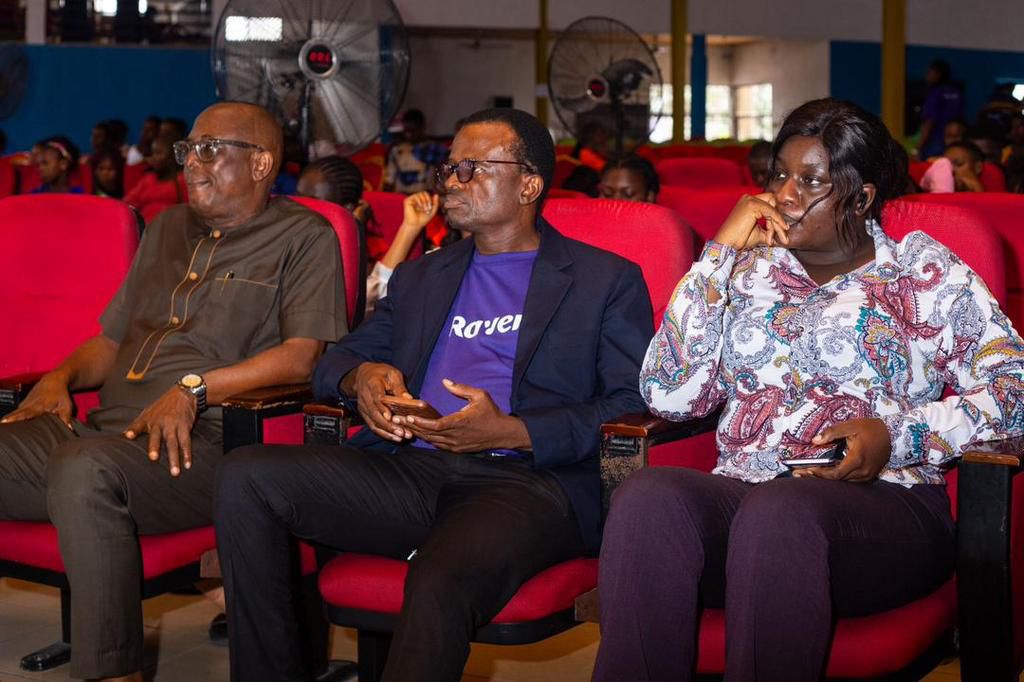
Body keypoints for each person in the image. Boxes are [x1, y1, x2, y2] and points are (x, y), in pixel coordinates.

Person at [214, 107, 654, 682]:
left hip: (525, 484)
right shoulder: (425, 275)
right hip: (411, 469)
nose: (451, 181)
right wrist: (362, 378)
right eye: (450, 168)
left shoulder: (605, 280)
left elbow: (628, 405)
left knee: (438, 576)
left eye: (473, 169)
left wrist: (513, 432)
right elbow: (338, 358)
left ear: (529, 184)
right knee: (245, 476)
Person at [592, 98, 1024, 682]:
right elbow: (669, 398)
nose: (785, 195)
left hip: (883, 517)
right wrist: (714, 259)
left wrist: (894, 436)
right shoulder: (745, 273)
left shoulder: (921, 272)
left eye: (811, 181)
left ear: (862, 196)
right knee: (648, 498)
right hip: (745, 501)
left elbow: (1012, 389)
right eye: (780, 175)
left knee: (782, 509)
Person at [0, 101, 346, 682]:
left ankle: (114, 672)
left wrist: (195, 389)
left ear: (261, 162)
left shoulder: (304, 236)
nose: (191, 163)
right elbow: (110, 343)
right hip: (104, 435)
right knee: (79, 461)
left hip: (205, 446)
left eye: (211, 150)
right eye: (188, 151)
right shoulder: (165, 228)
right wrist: (58, 377)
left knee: (85, 470)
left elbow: (302, 356)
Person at [123, 133, 186, 223]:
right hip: (145, 231)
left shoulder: (183, 180)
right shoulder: (148, 179)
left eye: (159, 153)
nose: (154, 157)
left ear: (172, 156)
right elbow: (128, 203)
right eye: (153, 153)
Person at [383, 108, 449, 194]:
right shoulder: (396, 150)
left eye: (413, 130)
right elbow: (389, 178)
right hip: (400, 197)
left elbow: (443, 176)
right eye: (406, 130)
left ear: (423, 127)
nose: (409, 135)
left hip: (425, 198)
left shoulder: (434, 149)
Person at [917, 59, 963, 160]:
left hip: (935, 142)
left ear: (938, 74)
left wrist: (919, 147)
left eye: (929, 72)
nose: (927, 76)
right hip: (956, 143)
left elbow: (929, 121)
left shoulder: (935, 93)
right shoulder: (956, 92)